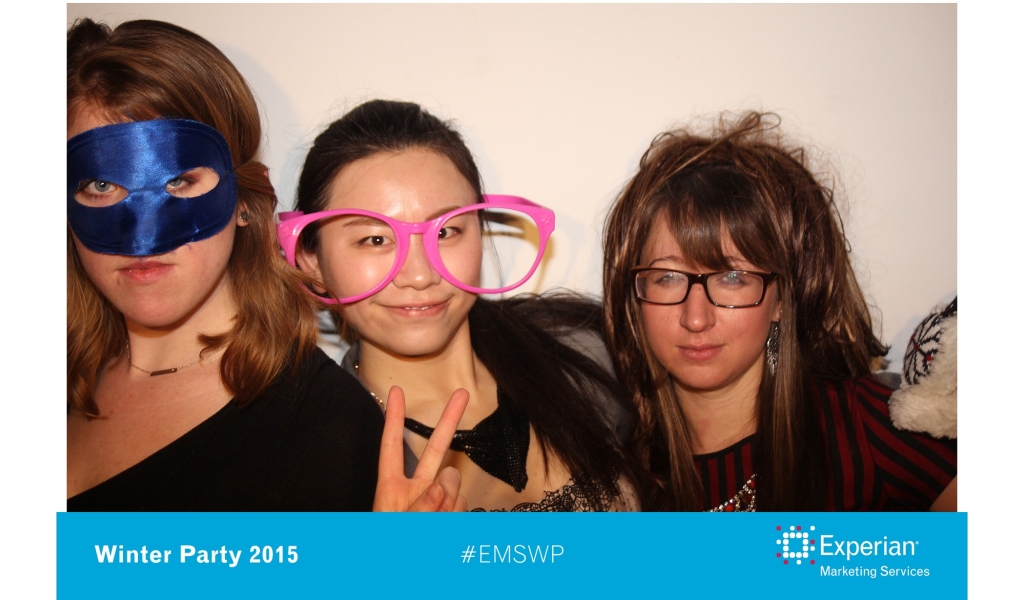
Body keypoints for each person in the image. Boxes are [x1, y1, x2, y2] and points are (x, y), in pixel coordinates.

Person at [66, 19, 466, 512]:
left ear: (243, 199)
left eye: (180, 181)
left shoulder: (328, 429)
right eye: (101, 186)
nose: (143, 239)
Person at [280, 99, 637, 511]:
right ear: (312, 262)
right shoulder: (313, 464)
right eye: (375, 240)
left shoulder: (585, 352)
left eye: (446, 231)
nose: (419, 275)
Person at [602, 112, 957, 511]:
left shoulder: (869, 430)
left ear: (782, 298)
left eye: (733, 277)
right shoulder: (610, 482)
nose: (696, 318)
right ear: (635, 296)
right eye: (667, 277)